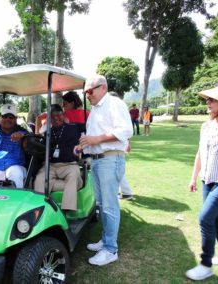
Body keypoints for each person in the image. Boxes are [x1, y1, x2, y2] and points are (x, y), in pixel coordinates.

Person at [73, 75, 132, 266]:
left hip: (110, 159)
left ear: (103, 88)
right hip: (98, 160)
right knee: (102, 204)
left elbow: (125, 130)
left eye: (90, 91)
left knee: (109, 206)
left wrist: (96, 140)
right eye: (85, 92)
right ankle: (106, 240)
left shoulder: (114, 104)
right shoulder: (96, 109)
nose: (87, 95)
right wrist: (84, 147)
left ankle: (110, 249)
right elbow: (93, 139)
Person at [186, 84, 218, 281]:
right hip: (207, 179)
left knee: (205, 217)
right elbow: (200, 153)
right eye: (207, 99)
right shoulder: (205, 126)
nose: (208, 102)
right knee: (215, 218)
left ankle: (206, 265)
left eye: (212, 99)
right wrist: (193, 177)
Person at [34, 104, 85, 211]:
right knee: (39, 179)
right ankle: (40, 209)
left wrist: (83, 145)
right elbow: (39, 145)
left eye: (59, 115)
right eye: (53, 116)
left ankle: (66, 211)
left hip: (70, 165)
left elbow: (93, 129)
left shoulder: (74, 127)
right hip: (51, 166)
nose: (57, 118)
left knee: (74, 175)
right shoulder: (47, 132)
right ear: (49, 119)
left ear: (63, 115)